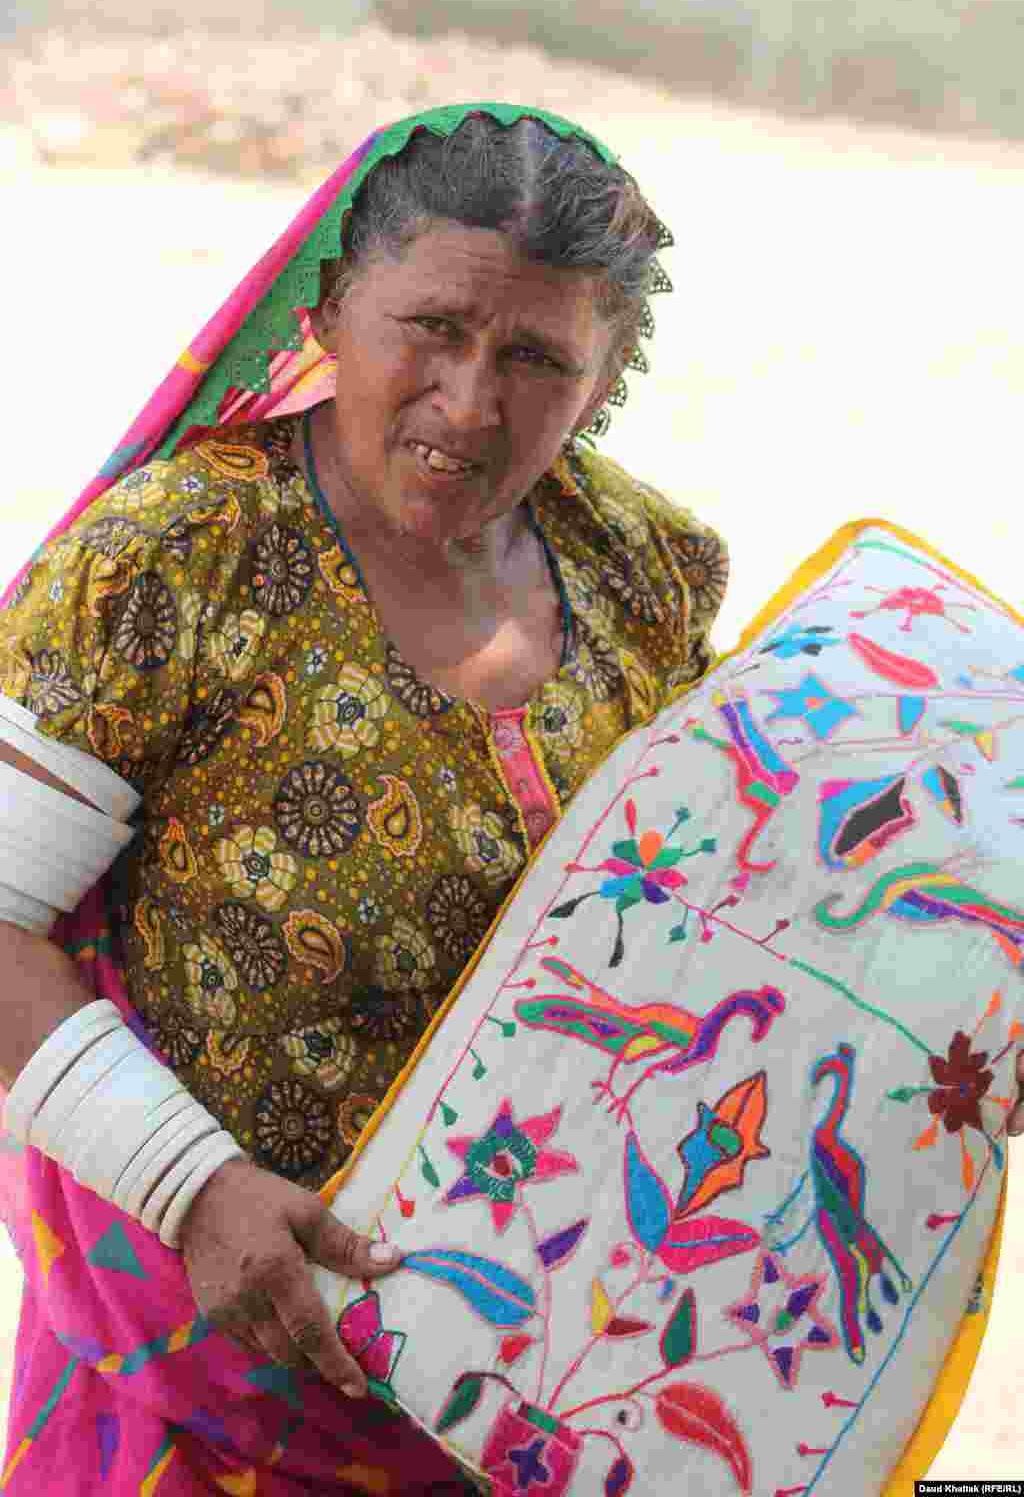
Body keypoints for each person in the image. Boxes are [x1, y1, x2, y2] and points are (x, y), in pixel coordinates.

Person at [0, 102, 1013, 1496]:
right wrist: (194, 1184)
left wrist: (960, 1014)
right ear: (327, 311)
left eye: (536, 358)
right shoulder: (179, 557)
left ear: (607, 377)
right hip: (219, 1384)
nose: (471, 402)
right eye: (432, 328)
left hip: (540, 1383)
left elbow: (731, 909)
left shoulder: (641, 567)